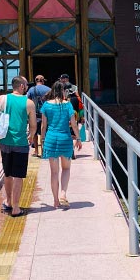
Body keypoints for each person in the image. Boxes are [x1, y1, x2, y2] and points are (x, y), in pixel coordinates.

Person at [0, 76, 36, 217]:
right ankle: (16, 208)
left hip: (4, 142)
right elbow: (33, 125)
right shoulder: (29, 103)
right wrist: (31, 137)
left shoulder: (1, 99)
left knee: (7, 173)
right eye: (25, 85)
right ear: (21, 86)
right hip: (20, 143)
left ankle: (8, 202)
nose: (26, 87)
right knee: (18, 176)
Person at [40, 81, 82, 209]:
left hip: (51, 139)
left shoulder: (46, 105)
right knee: (66, 168)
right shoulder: (68, 105)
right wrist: (78, 138)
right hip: (65, 139)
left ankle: (55, 201)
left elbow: (43, 125)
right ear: (63, 91)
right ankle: (63, 193)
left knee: (54, 172)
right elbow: (74, 124)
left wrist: (42, 140)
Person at [26, 75, 50, 157]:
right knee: (45, 132)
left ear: (36, 81)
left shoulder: (31, 90)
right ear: (43, 81)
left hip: (34, 115)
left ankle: (36, 151)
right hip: (45, 115)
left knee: (34, 133)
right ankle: (44, 151)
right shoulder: (48, 89)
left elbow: (27, 101)